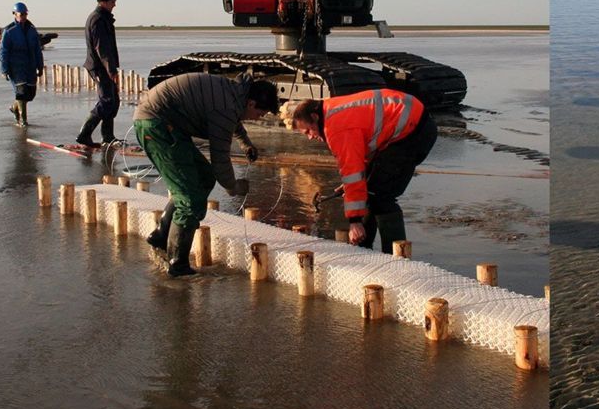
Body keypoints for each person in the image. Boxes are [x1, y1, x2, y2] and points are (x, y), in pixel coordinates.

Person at [134, 73, 280, 276]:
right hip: (156, 125)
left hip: (167, 123)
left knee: (204, 176)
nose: (259, 118)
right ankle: (178, 263)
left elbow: (232, 120)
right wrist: (233, 187)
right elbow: (220, 160)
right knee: (190, 199)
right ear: (252, 103)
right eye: (260, 114)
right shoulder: (226, 107)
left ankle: (161, 235)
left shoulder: (234, 94)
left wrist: (245, 142)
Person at [290, 89, 436, 253]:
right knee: (370, 189)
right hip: (409, 121)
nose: (310, 137)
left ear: (315, 117)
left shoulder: (336, 129)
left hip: (414, 131)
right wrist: (356, 183)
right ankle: (364, 248)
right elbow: (359, 161)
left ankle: (395, 257)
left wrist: (354, 221)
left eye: (309, 131)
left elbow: (353, 172)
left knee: (381, 195)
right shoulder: (331, 110)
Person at [76, 0, 120, 147]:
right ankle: (84, 134)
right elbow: (102, 48)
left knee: (113, 101)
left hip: (105, 66)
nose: (115, 5)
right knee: (107, 101)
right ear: (104, 2)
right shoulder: (97, 19)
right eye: (112, 2)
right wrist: (111, 69)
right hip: (99, 67)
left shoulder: (104, 18)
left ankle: (108, 136)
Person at [0, 2, 44, 126]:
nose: (23, 16)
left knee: (30, 94)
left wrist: (40, 66)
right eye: (21, 14)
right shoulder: (9, 31)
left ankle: (14, 107)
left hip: (30, 65)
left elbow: (37, 49)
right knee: (21, 92)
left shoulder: (31, 29)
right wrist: (4, 69)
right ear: (15, 14)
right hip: (16, 66)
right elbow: (4, 51)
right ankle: (23, 121)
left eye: (25, 14)